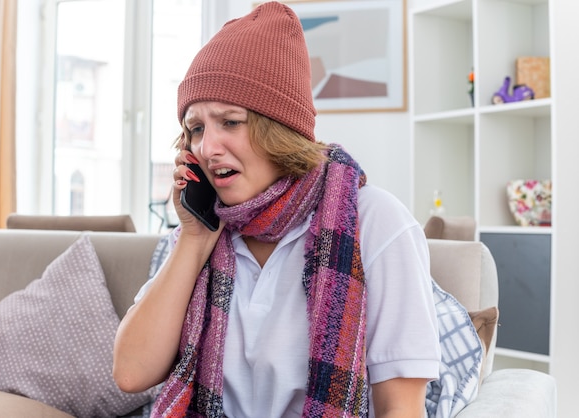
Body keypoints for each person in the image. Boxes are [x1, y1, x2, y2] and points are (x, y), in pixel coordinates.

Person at [113, 2, 440, 417]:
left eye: (230, 122)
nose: (207, 148)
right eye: (196, 128)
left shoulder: (376, 222)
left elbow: (402, 409)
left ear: (280, 128)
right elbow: (130, 373)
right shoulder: (201, 232)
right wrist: (194, 240)